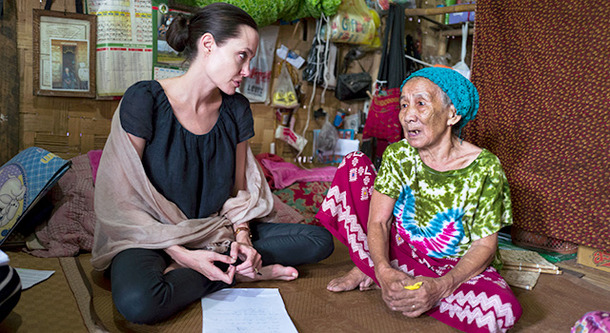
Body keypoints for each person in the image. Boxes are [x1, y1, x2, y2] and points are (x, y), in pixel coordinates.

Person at [90, 3, 333, 325]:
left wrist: (243, 238)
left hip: (216, 232)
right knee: (140, 302)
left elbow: (239, 189)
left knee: (319, 241)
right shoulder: (144, 99)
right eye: (242, 55)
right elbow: (120, 199)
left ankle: (225, 266)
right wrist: (184, 255)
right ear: (208, 45)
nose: (247, 70)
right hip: (149, 235)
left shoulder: (236, 109)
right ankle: (234, 274)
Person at [316, 67, 522, 332]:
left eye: (420, 104)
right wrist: (382, 269)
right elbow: (378, 222)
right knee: (353, 163)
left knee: (501, 311)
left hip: (453, 265)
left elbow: (485, 246)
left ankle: (400, 282)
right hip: (400, 248)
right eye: (404, 104)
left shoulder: (485, 168)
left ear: (452, 114)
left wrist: (442, 286)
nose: (407, 115)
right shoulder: (398, 155)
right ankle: (379, 271)